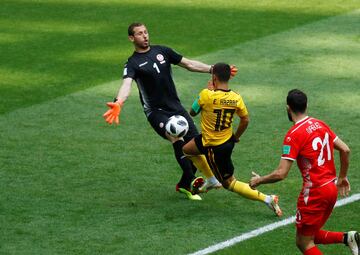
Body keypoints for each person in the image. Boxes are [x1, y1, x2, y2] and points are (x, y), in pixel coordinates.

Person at [103, 22, 232, 200]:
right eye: (140, 34)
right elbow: (126, 84)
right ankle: (200, 179)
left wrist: (212, 69)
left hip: (176, 107)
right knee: (176, 135)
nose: (145, 36)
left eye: (146, 32)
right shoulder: (133, 63)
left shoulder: (162, 51)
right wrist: (119, 102)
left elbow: (189, 64)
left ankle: (185, 184)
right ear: (131, 38)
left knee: (196, 146)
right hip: (156, 112)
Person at [249, 89, 359, 254]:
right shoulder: (320, 124)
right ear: (306, 105)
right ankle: (348, 238)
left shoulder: (293, 135)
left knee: (303, 243)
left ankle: (348, 238)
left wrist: (259, 180)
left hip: (315, 192)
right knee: (309, 235)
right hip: (331, 188)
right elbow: (345, 150)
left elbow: (281, 173)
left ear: (288, 108)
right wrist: (342, 177)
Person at [182, 62, 282, 217]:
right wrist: (236, 137)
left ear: (214, 77)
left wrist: (207, 91)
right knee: (187, 149)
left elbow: (193, 112)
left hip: (213, 146)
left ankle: (268, 199)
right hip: (225, 140)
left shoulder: (206, 95)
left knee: (229, 183)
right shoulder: (236, 98)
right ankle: (210, 179)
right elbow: (245, 120)